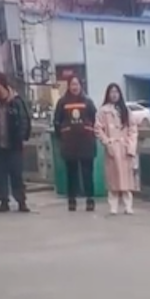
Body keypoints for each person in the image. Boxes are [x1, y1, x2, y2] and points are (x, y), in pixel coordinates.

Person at [0, 72, 32, 213]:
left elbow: (24, 120)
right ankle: (3, 200)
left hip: (14, 144)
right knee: (0, 174)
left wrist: (22, 137)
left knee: (16, 174)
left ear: (3, 84)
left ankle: (21, 201)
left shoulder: (16, 101)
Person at [53, 76, 97, 211]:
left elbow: (95, 120)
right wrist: (63, 136)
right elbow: (57, 122)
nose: (75, 87)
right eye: (72, 84)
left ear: (81, 85)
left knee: (87, 173)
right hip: (69, 144)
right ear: (69, 86)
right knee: (71, 174)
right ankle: (72, 200)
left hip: (86, 143)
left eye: (77, 84)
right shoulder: (62, 102)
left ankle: (90, 199)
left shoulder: (88, 102)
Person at [95, 83, 138, 215]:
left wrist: (130, 145)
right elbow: (98, 129)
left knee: (127, 179)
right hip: (112, 147)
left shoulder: (126, 111)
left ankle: (128, 205)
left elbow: (133, 129)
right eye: (111, 92)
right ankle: (113, 206)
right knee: (113, 179)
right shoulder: (103, 111)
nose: (114, 94)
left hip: (124, 147)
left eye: (116, 92)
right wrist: (106, 142)